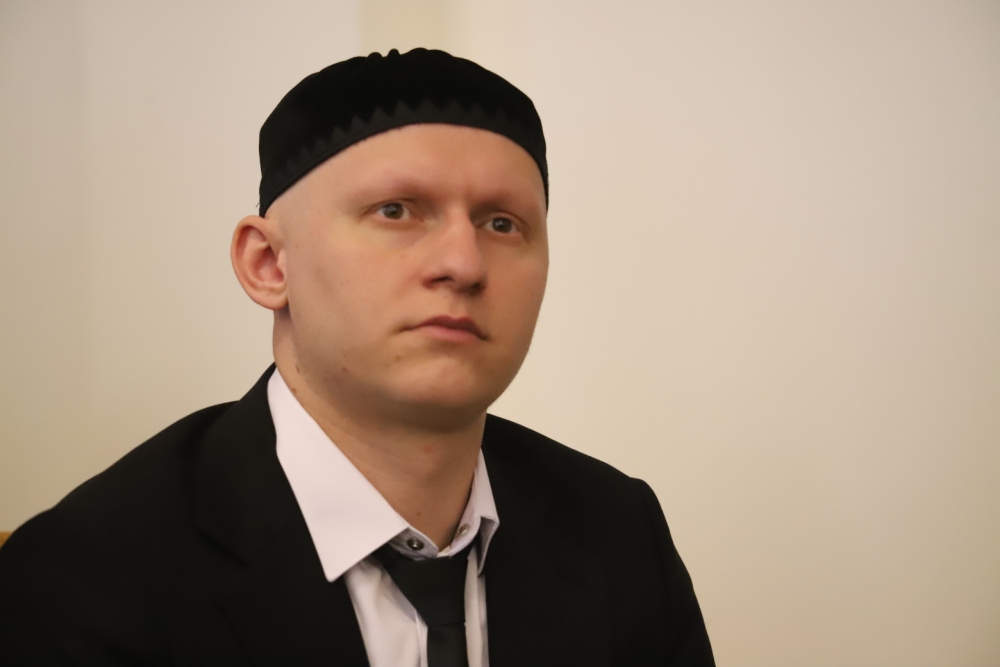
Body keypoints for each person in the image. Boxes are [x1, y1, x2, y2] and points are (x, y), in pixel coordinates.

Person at [0, 48, 714, 666]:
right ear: (268, 264)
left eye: (503, 223)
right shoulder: (89, 576)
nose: (464, 263)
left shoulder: (618, 532)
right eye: (396, 210)